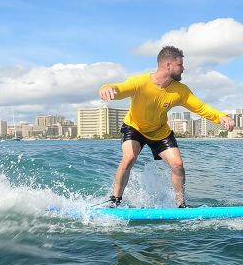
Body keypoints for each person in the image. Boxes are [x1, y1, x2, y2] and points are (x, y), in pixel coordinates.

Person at [99, 46, 235, 208]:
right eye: (180, 65)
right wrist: (107, 88)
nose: (183, 68)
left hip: (160, 131)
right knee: (129, 158)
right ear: (168, 65)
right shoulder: (140, 82)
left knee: (177, 165)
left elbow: (201, 107)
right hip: (134, 128)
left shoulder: (180, 91)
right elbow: (120, 89)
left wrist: (221, 116)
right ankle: (115, 201)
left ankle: (181, 205)